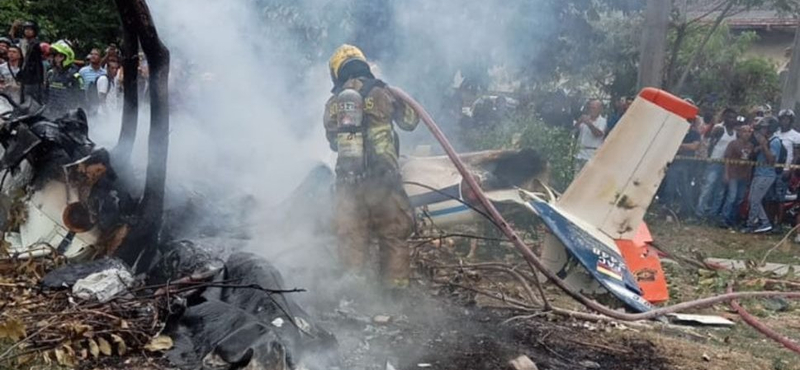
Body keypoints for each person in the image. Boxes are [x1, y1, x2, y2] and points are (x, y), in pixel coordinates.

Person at [323, 44, 419, 290]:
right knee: (393, 234)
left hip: (349, 181)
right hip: (383, 179)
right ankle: (395, 295)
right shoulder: (383, 92)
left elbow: (334, 143)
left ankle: (353, 295)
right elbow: (411, 122)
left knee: (351, 236)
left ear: (337, 72)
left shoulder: (334, 103)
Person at [696, 108, 739, 221]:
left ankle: (713, 214)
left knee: (720, 191)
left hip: (726, 165)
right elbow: (710, 144)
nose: (732, 119)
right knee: (708, 188)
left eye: (734, 117)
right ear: (725, 117)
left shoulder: (735, 133)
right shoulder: (719, 129)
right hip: (714, 162)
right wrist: (709, 159)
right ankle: (699, 213)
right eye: (729, 117)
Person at [744, 117, 782, 233]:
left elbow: (772, 160)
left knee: (755, 200)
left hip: (766, 175)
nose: (763, 130)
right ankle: (764, 222)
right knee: (752, 199)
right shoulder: (767, 140)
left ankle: (751, 225)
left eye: (765, 127)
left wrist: (764, 145)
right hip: (759, 173)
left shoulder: (774, 141)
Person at [661, 116, 702, 216]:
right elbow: (670, 144)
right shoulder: (676, 132)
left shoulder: (695, 134)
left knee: (686, 190)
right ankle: (667, 211)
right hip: (674, 164)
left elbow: (694, 146)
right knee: (670, 188)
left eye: (690, 121)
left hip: (687, 166)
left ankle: (686, 213)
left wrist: (680, 145)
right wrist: (684, 146)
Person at [721, 125, 754, 228]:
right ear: (739, 133)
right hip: (733, 174)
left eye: (749, 132)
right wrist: (726, 173)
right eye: (744, 131)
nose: (746, 134)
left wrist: (749, 174)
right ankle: (724, 218)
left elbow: (750, 161)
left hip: (743, 176)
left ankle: (733, 218)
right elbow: (727, 159)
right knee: (732, 196)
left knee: (739, 198)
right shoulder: (733, 144)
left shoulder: (750, 146)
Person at [45, 41, 83, 117]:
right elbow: (45, 94)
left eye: (60, 56)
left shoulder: (75, 76)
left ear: (67, 57)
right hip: (51, 113)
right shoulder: (50, 74)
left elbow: (81, 99)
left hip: (68, 116)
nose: (56, 59)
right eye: (55, 56)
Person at [573, 99, 607, 174]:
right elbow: (574, 130)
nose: (591, 110)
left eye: (594, 108)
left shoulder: (602, 121)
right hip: (580, 154)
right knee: (576, 178)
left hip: (591, 155)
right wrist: (579, 122)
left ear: (600, 110)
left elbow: (598, 134)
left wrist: (589, 124)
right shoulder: (585, 118)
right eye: (590, 108)